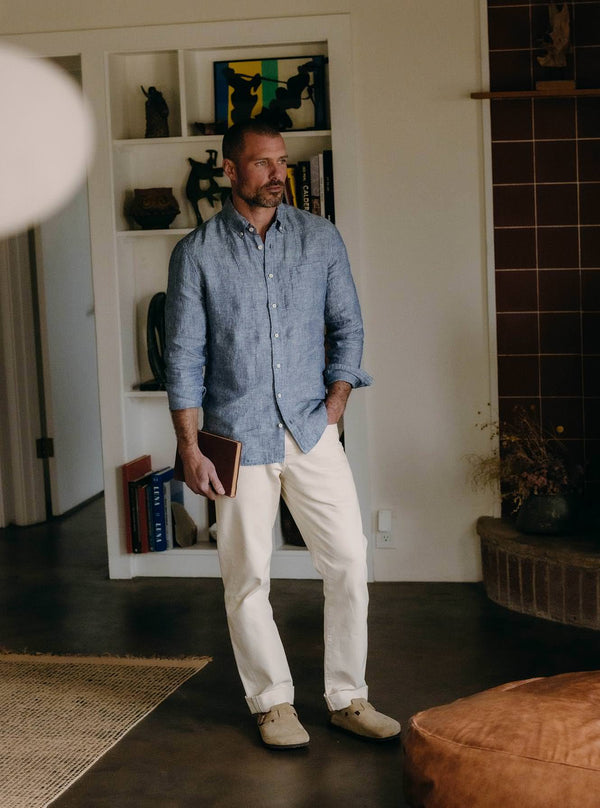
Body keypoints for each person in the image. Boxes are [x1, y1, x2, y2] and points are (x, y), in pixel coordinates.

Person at [164, 119, 400, 749]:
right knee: (246, 577)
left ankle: (348, 697)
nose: (277, 174)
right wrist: (189, 447)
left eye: (282, 162)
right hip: (234, 437)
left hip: (310, 428)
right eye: (263, 163)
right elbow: (183, 357)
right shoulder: (197, 253)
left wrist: (337, 400)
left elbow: (348, 326)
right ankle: (272, 703)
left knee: (348, 560)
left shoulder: (320, 239)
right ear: (230, 168)